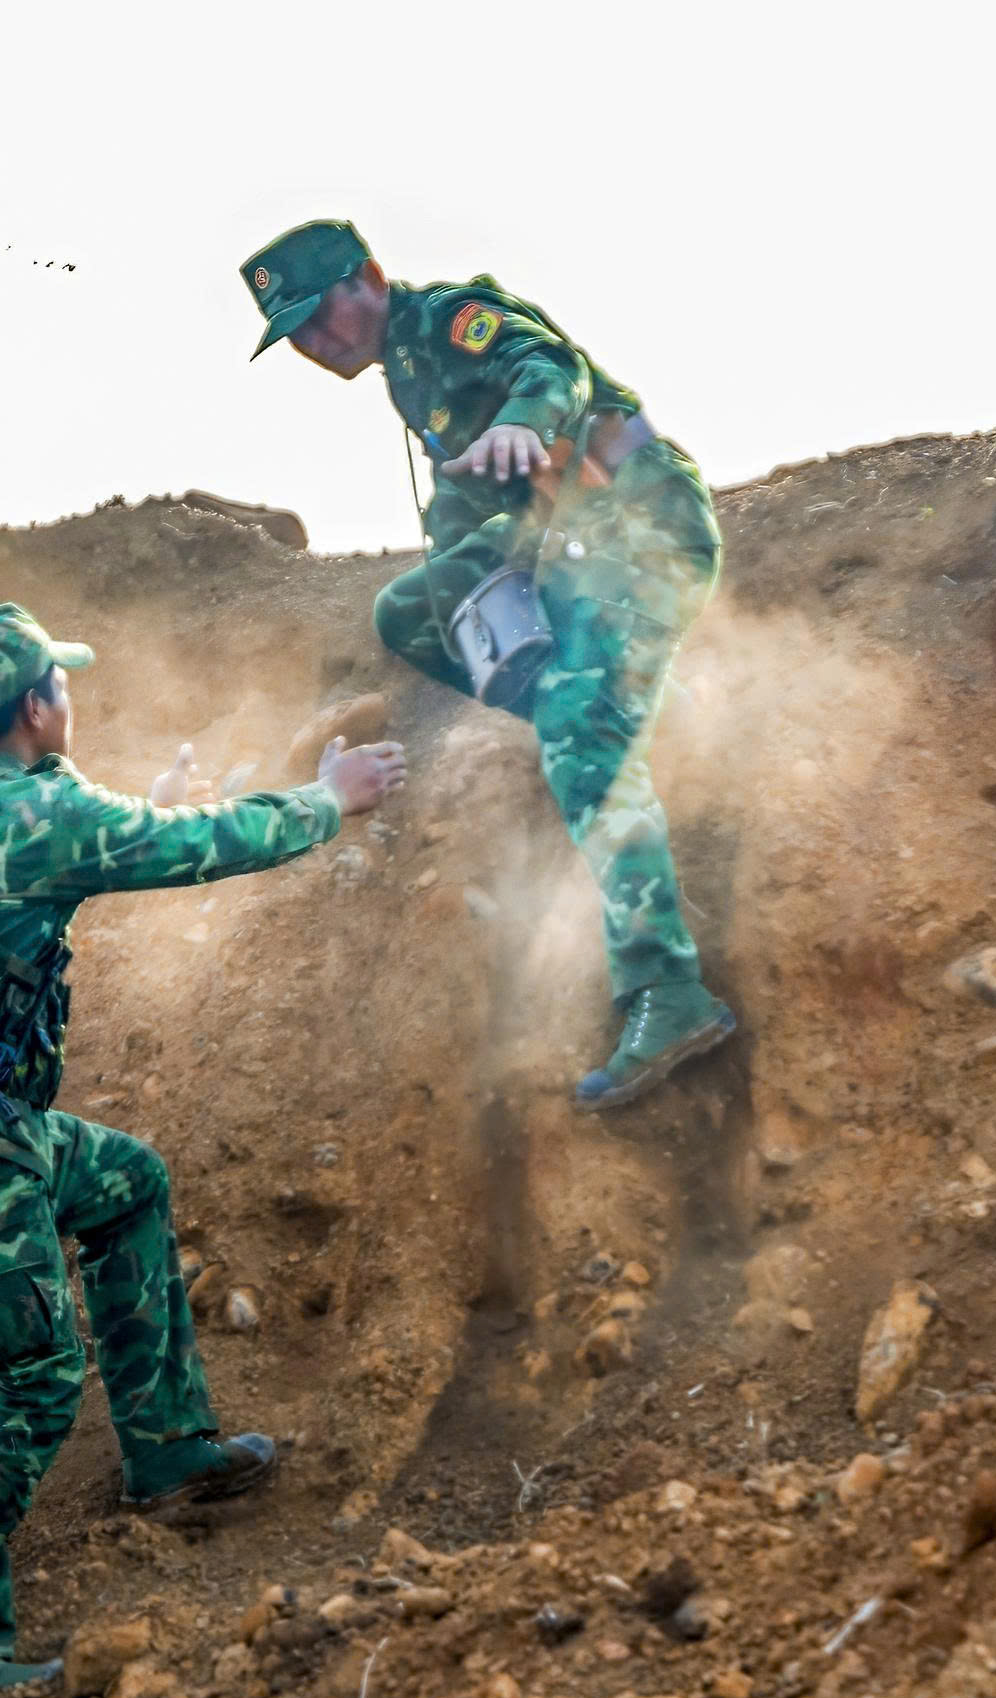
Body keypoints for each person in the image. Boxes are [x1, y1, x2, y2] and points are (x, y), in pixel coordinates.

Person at [0, 602, 408, 1690]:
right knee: (35, 1377)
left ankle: (167, 1451)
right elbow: (187, 851)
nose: (69, 699)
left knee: (126, 1182)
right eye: (60, 684)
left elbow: (78, 851)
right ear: (33, 709)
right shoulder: (38, 812)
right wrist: (328, 800)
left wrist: (150, 807)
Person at [240, 218, 734, 1110]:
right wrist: (458, 556)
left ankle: (670, 989)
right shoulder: (407, 379)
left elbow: (551, 369)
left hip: (639, 524)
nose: (314, 344)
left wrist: (518, 423)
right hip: (565, 549)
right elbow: (461, 511)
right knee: (407, 608)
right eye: (296, 334)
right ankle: (620, 708)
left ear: (370, 278)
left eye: (319, 316)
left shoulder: (451, 319)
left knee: (578, 724)